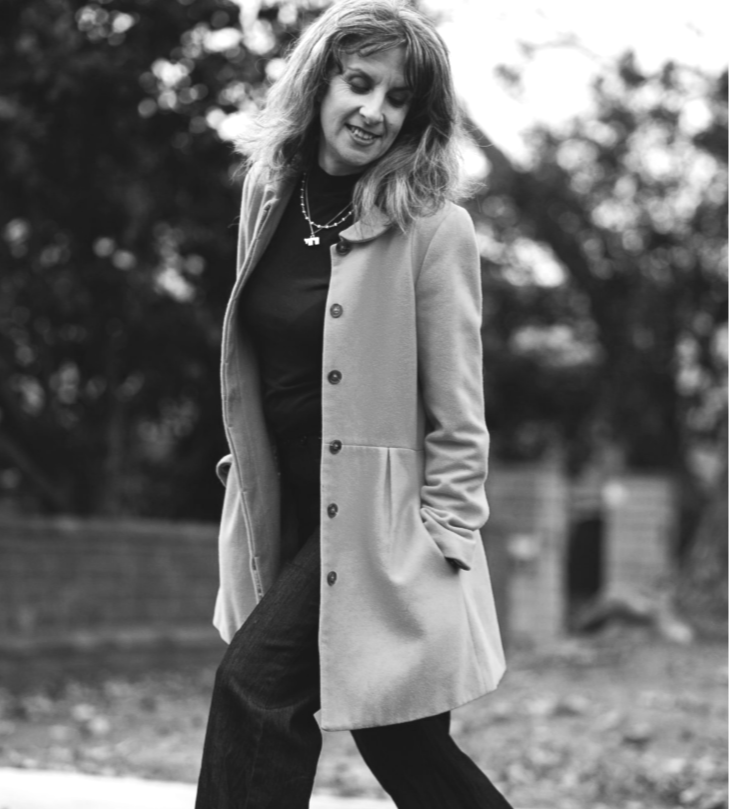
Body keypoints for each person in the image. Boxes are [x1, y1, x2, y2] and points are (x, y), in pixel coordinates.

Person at [195, 0, 511, 806]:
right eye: (359, 83)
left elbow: (458, 411)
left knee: (256, 688)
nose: (373, 111)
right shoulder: (268, 192)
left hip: (378, 524)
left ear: (418, 116)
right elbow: (254, 356)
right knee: (399, 741)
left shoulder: (434, 230)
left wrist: (442, 535)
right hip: (287, 503)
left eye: (397, 98)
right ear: (321, 82)